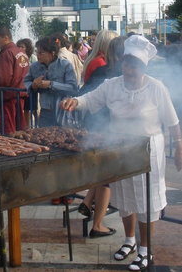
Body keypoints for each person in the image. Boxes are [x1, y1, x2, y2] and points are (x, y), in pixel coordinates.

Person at [60, 35, 182, 271]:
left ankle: (146, 250)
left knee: (147, 202)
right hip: (120, 149)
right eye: (126, 64)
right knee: (125, 199)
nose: (129, 69)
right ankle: (129, 241)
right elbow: (89, 99)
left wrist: (179, 146)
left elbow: (173, 121)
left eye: (134, 65)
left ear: (143, 67)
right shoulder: (112, 85)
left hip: (148, 151)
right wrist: (74, 102)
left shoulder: (156, 87)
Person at [77, 36, 127, 238]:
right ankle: (97, 225)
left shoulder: (99, 68)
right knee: (108, 176)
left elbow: (84, 93)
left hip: (94, 127)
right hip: (107, 132)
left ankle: (87, 202)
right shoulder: (116, 75)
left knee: (102, 174)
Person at [24, 36, 78, 205]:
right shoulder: (35, 67)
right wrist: (33, 85)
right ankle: (54, 189)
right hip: (46, 113)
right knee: (49, 151)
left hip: (64, 113)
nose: (38, 55)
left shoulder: (65, 65)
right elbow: (25, 83)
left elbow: (73, 88)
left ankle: (69, 191)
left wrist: (51, 84)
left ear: (52, 53)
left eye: (42, 53)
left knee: (67, 152)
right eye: (37, 52)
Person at [0, 27, 29, 135]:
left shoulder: (7, 53)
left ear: (6, 38)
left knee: (9, 132)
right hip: (20, 94)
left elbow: (3, 79)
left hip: (7, 96)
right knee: (20, 130)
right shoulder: (21, 52)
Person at [16, 38, 38, 128]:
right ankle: (27, 127)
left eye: (23, 47)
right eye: (19, 47)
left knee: (33, 109)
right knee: (26, 109)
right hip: (23, 86)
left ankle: (37, 125)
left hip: (31, 86)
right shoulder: (19, 57)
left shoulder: (32, 57)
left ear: (28, 48)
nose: (20, 48)